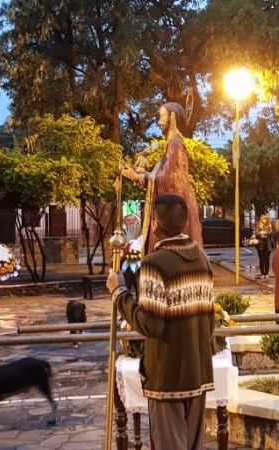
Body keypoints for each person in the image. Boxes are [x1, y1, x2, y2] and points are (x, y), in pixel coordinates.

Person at [107, 194, 215, 450]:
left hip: (168, 376)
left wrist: (118, 293)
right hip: (198, 371)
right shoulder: (202, 258)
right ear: (186, 222)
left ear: (154, 224)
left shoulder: (155, 264)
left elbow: (150, 324)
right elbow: (210, 321)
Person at [121, 102, 203, 254]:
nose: (159, 121)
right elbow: (162, 174)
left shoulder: (176, 144)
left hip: (173, 218)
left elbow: (169, 179)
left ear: (172, 117)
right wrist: (142, 171)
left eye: (162, 116)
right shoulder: (171, 146)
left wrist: (139, 177)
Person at [252, 215, 274, 279]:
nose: (265, 220)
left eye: (266, 219)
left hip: (268, 245)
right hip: (260, 246)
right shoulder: (258, 226)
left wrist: (266, 233)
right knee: (261, 259)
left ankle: (266, 273)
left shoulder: (269, 226)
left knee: (267, 260)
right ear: (261, 220)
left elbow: (271, 233)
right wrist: (261, 233)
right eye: (263, 219)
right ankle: (262, 273)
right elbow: (256, 233)